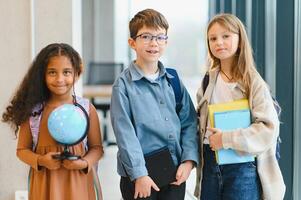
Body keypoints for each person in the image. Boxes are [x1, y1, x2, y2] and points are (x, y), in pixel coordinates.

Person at [194, 13, 285, 200]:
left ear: (240, 40)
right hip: (210, 164)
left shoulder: (253, 82)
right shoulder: (207, 80)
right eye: (213, 38)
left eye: (226, 36)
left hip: (242, 167)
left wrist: (225, 139)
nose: (219, 42)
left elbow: (268, 129)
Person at [110, 9, 199, 200]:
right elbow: (125, 134)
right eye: (146, 36)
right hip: (140, 177)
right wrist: (140, 175)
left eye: (160, 37)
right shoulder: (123, 85)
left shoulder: (174, 79)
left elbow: (189, 123)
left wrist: (188, 161)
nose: (153, 43)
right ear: (132, 42)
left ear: (166, 41)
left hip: (175, 173)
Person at [2, 43, 104, 200]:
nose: (60, 79)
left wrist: (83, 163)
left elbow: (97, 148)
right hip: (45, 186)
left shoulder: (86, 109)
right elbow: (22, 150)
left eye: (67, 72)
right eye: (52, 72)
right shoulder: (34, 112)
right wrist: (41, 160)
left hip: (79, 184)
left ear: (77, 74)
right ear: (42, 75)